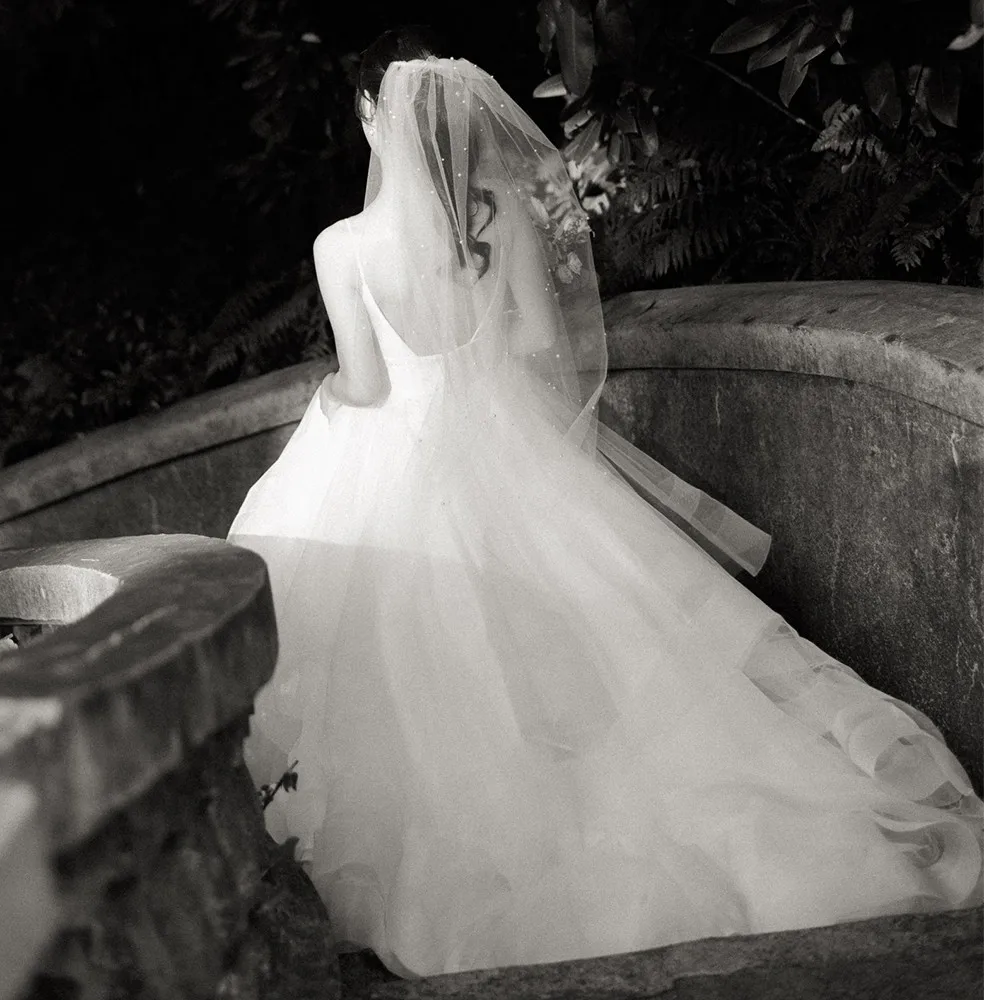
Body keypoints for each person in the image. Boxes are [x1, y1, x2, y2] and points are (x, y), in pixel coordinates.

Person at [228, 25, 982, 979]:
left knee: (424, 667)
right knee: (613, 647)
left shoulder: (342, 247)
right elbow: (546, 343)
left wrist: (329, 415)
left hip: (409, 474)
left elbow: (366, 388)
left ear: (376, 113)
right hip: (508, 458)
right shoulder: (496, 212)